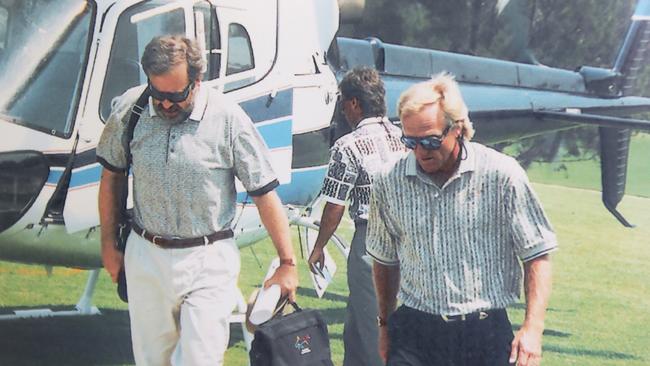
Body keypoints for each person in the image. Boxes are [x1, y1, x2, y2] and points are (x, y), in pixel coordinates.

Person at [97, 35, 298, 366]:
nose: (164, 105)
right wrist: (109, 244)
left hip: (208, 257)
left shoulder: (229, 118)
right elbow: (111, 177)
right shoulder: (130, 109)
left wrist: (288, 263)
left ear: (197, 79)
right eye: (158, 94)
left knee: (200, 359)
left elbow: (264, 192)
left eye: (175, 95)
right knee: (151, 360)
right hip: (145, 255)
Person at [366, 73, 557, 366]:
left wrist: (533, 328)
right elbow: (384, 259)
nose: (419, 152)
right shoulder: (388, 182)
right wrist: (383, 325)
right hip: (415, 333)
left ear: (457, 128)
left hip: (484, 334)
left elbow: (537, 253)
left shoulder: (502, 175)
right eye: (410, 141)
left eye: (430, 140)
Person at [308, 66, 406, 366]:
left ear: (353, 103)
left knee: (372, 331)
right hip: (410, 243)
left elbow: (335, 205)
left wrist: (319, 246)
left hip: (372, 245)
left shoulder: (347, 146)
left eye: (342, 102)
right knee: (364, 326)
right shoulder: (404, 138)